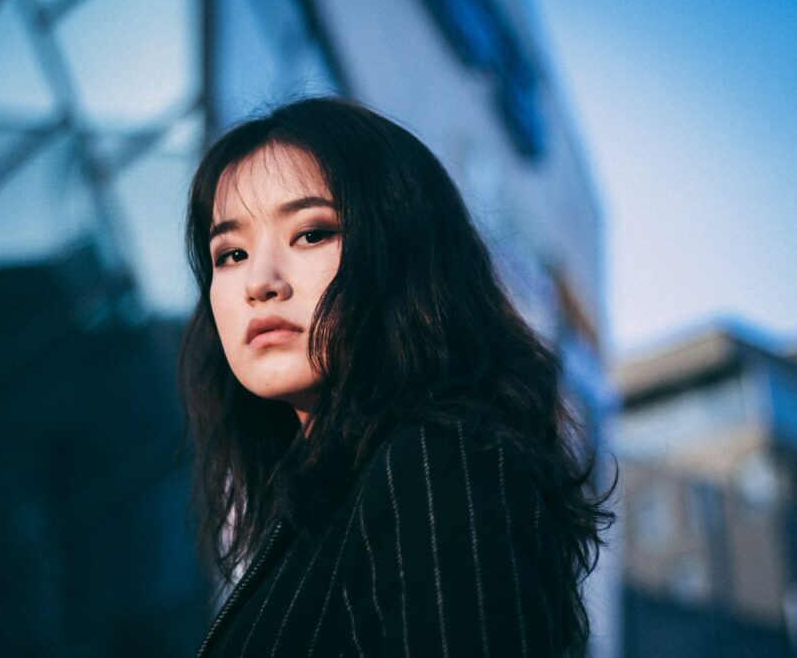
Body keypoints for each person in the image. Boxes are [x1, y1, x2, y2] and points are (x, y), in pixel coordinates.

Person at [180, 97, 613, 657]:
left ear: (403, 253)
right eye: (231, 253)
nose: (259, 282)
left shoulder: (439, 462)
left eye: (311, 233)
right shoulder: (320, 503)